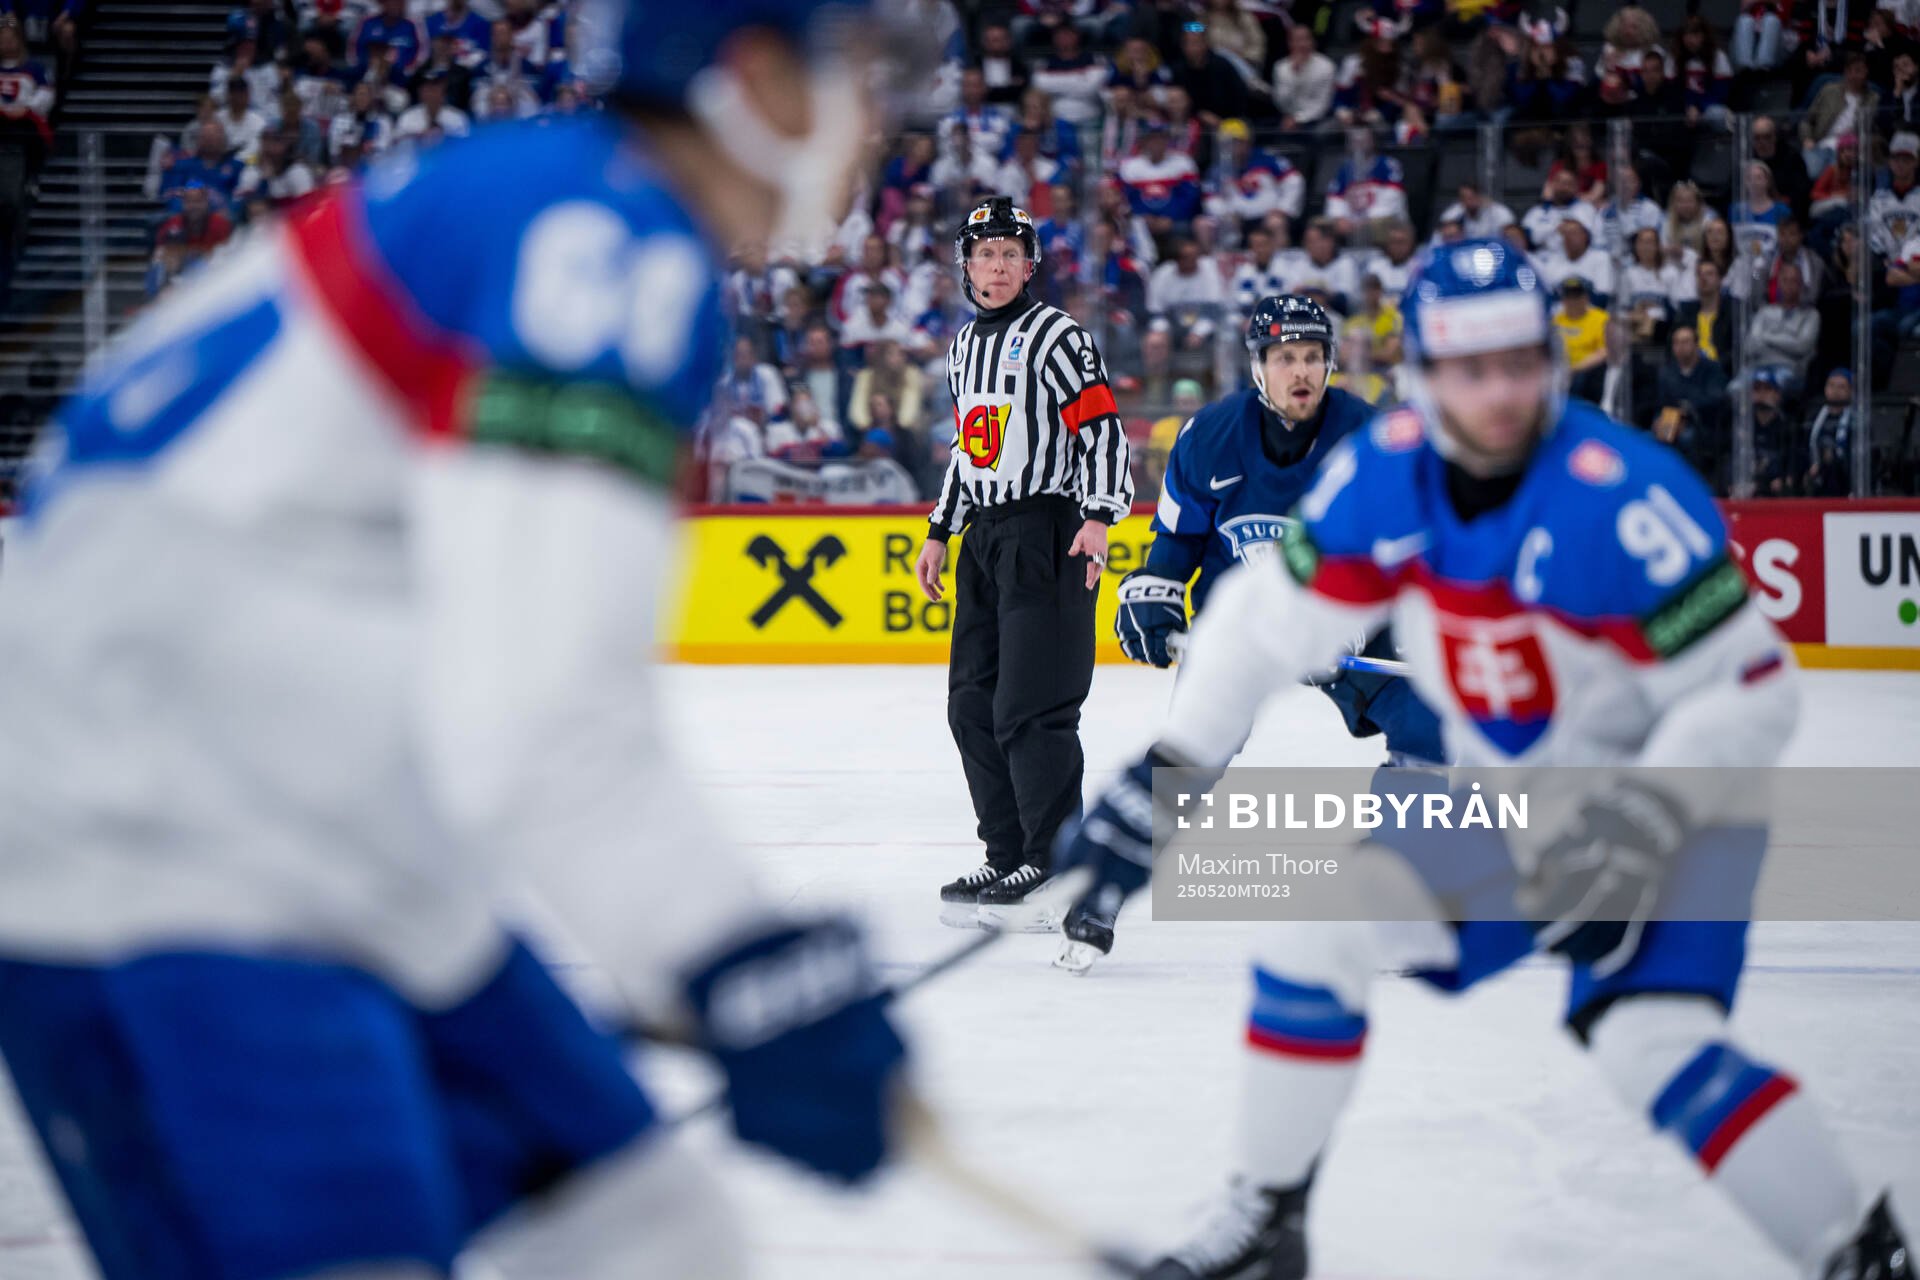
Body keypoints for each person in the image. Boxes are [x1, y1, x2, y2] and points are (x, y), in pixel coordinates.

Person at [0, 5, 914, 1278]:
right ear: (753, 78)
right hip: (173, 864)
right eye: (854, 81)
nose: (875, 125)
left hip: (300, 823)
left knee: (651, 1227)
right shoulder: (603, 237)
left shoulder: (535, 190)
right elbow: (542, 719)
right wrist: (737, 961)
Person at [1052, 239, 1910, 1280]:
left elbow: (1751, 687)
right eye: (1467, 367)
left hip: (1671, 807)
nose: (1498, 391)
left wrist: (1634, 826)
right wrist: (1165, 771)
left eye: (1518, 359)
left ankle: (1857, 1255)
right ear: (1420, 371)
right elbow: (1266, 618)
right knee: (1318, 943)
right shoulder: (1383, 472)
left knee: (1652, 1041)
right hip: (1505, 801)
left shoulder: (1621, 495)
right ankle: (1269, 1218)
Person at [1070, 295, 1443, 971]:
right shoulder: (1208, 437)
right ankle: (1103, 889)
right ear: (1258, 368)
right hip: (1246, 621)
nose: (1299, 372)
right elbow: (1175, 545)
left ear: (1329, 365)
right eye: (1283, 359)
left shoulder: (1373, 439)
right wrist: (1153, 595)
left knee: (1429, 732)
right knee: (1192, 752)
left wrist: (1359, 616)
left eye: (1311, 357)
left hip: (1356, 625)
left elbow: (1411, 554)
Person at [916, 196, 1133, 932]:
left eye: (1011, 253)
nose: (998, 265)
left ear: (1030, 263)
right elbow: (966, 450)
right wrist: (941, 530)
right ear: (966, 266)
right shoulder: (963, 346)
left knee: (1030, 708)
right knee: (971, 704)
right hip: (983, 534)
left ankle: (1052, 856)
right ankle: (1006, 850)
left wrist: (1100, 515)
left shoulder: (1057, 336)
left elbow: (1102, 427)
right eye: (985, 253)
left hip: (1049, 527)